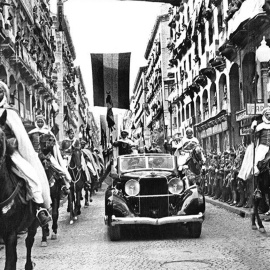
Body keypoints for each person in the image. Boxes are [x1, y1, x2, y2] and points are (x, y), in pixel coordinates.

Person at [0, 81, 51, 227]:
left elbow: (20, 137)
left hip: (8, 153)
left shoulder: (11, 113)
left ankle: (39, 208)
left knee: (30, 174)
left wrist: (11, 143)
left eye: (0, 91)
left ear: (5, 93)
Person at [28, 115, 71, 196]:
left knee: (57, 167)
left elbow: (53, 144)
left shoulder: (48, 133)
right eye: (38, 122)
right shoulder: (31, 133)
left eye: (41, 122)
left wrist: (46, 153)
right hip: (34, 155)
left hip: (47, 155)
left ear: (44, 122)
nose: (40, 123)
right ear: (36, 122)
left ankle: (63, 184)